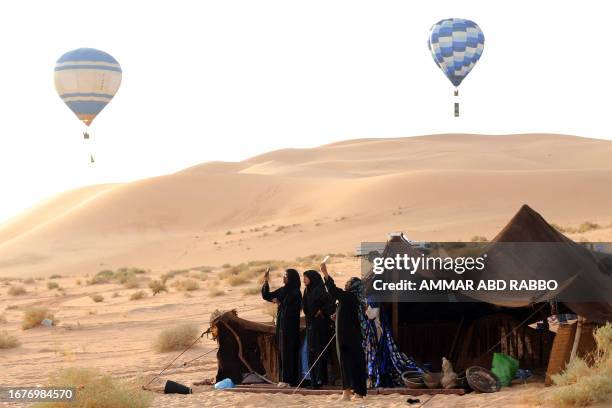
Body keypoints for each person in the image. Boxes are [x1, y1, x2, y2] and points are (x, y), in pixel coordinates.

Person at [321, 263, 367, 400]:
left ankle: (346, 393)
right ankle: (358, 393)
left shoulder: (349, 297)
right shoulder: (353, 299)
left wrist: (325, 273)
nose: (346, 284)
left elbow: (333, 290)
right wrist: (337, 316)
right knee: (355, 364)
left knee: (346, 364)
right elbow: (349, 315)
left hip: (347, 338)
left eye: (348, 282)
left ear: (353, 286)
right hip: (353, 337)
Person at [262, 268, 302, 386]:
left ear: (292, 278)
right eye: (284, 276)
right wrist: (265, 281)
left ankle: (289, 380)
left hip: (290, 327)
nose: (284, 278)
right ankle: (283, 379)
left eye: (286, 276)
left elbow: (294, 309)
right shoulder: (283, 290)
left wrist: (280, 302)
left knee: (289, 352)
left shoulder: (296, 292)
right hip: (281, 325)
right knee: (282, 351)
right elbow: (267, 296)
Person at [302, 269, 335, 389]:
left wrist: (321, 311)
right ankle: (314, 380)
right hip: (310, 325)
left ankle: (321, 379)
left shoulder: (320, 290)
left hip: (320, 326)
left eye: (306, 277)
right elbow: (306, 308)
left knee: (319, 352)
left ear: (312, 278)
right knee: (311, 352)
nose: (304, 280)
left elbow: (331, 304)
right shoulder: (306, 291)